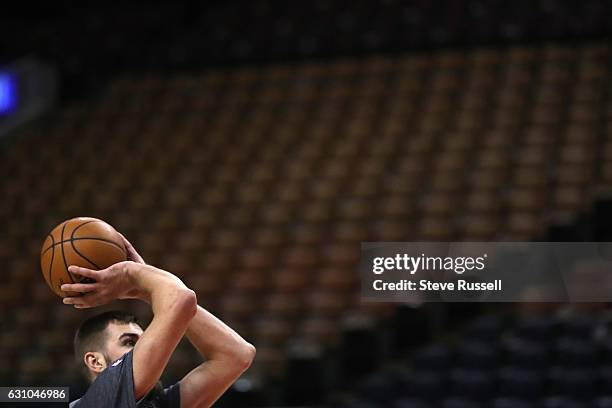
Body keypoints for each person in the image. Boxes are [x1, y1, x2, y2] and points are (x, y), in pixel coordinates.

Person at [64, 234, 256, 407]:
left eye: (144, 338)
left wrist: (144, 290)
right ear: (95, 361)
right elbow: (181, 299)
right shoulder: (99, 402)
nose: (146, 345)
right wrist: (131, 274)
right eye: (129, 342)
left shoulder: (159, 404)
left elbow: (237, 355)